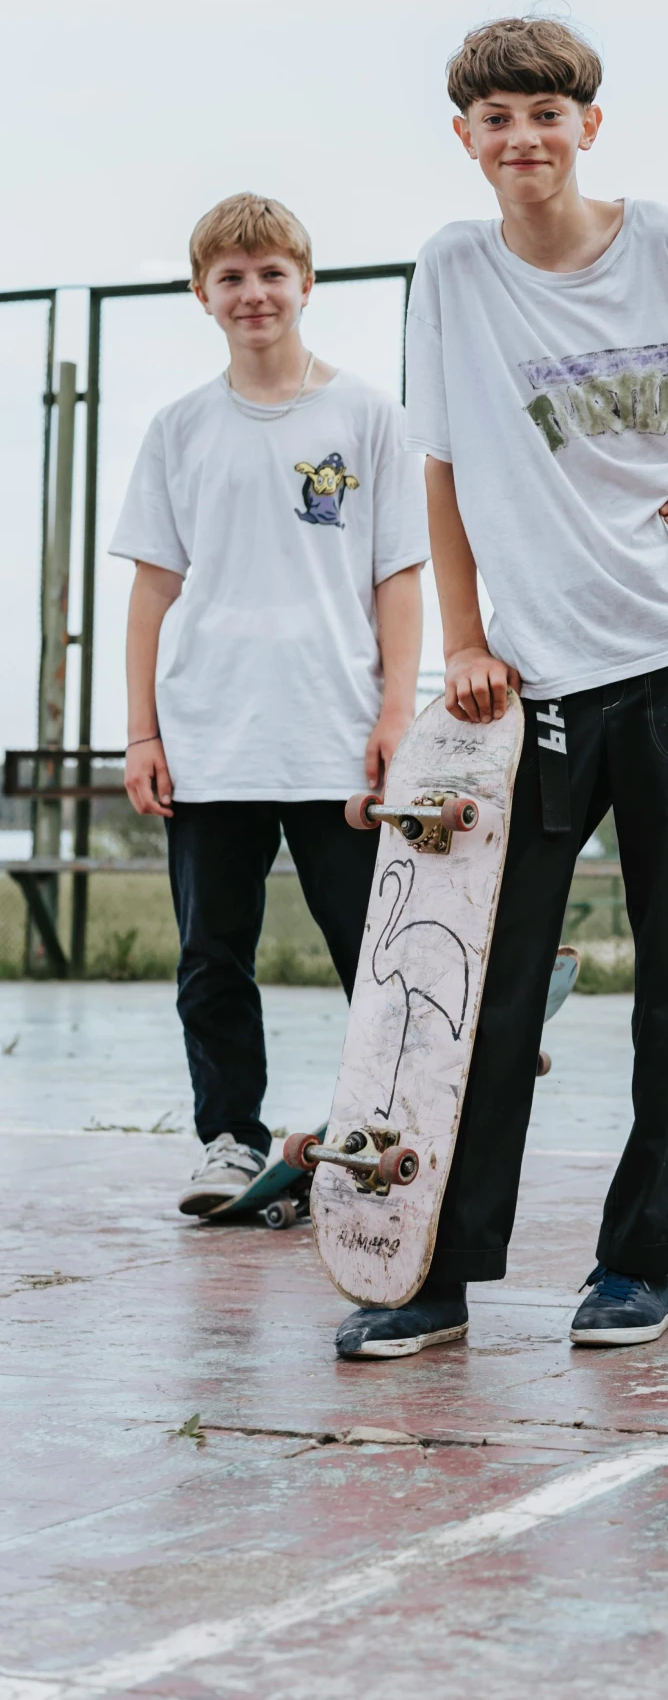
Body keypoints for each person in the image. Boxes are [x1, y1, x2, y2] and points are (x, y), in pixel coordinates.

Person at [331, 16, 668, 1360]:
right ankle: (434, 1269)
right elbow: (440, 463)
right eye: (494, 118)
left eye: (545, 114)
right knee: (488, 979)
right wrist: (464, 636)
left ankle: (638, 1260)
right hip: (538, 676)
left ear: (588, 126)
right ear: (464, 137)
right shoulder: (451, 269)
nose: (521, 138)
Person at [112, 194, 428, 1217]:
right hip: (211, 736)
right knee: (213, 956)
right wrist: (143, 732)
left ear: (306, 282)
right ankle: (230, 1139)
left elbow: (399, 577)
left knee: (369, 958)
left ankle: (384, 1131)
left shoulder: (367, 417)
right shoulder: (181, 428)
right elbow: (153, 589)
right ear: (201, 294)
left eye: (271, 273)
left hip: (337, 737)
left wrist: (394, 713)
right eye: (232, 277)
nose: (254, 293)